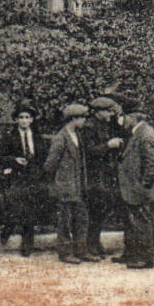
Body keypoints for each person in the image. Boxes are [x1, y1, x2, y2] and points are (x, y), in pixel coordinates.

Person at [115, 97, 154, 269]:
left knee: (142, 221)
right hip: (132, 187)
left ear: (133, 117)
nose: (121, 120)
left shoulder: (145, 134)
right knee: (132, 221)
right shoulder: (135, 132)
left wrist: (144, 186)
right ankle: (131, 253)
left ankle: (145, 257)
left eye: (123, 116)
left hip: (140, 188)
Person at [45, 102, 94, 264]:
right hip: (65, 185)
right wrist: (58, 182)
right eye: (82, 118)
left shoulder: (77, 135)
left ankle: (81, 250)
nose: (84, 121)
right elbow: (50, 164)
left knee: (81, 218)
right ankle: (65, 252)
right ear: (73, 119)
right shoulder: (60, 138)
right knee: (65, 220)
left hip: (78, 185)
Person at [80, 96, 124, 258]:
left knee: (101, 210)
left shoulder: (106, 124)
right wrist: (108, 145)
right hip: (94, 175)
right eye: (108, 111)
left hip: (104, 174)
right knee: (95, 210)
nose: (111, 114)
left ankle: (95, 243)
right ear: (98, 112)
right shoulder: (89, 127)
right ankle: (91, 245)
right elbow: (89, 151)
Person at [0, 105, 44, 256]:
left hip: (32, 176)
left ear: (31, 120)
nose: (24, 121)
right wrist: (14, 160)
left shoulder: (37, 136)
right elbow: (1, 156)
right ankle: (7, 229)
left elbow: (42, 156)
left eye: (27, 118)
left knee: (30, 209)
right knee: (15, 208)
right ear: (16, 120)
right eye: (21, 118)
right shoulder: (9, 136)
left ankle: (27, 244)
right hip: (16, 176)